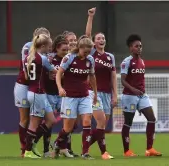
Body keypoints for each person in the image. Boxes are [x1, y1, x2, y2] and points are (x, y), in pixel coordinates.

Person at [53, 36, 97, 159]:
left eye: (89, 51)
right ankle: (58, 143)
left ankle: (85, 152)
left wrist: (95, 94)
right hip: (70, 97)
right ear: (79, 48)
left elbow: (92, 77)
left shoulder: (90, 60)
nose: (87, 54)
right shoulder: (69, 58)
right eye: (85, 51)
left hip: (84, 96)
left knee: (87, 121)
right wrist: (60, 88)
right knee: (68, 127)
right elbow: (59, 74)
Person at [120, 34, 162, 157]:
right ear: (130, 48)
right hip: (129, 96)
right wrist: (133, 90)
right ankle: (127, 151)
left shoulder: (142, 61)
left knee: (152, 118)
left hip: (142, 95)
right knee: (128, 122)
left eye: (140, 46)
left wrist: (140, 90)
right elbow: (123, 81)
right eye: (136, 46)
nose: (139, 48)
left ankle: (149, 149)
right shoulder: (126, 62)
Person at [84, 7, 115, 160]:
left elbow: (113, 76)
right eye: (99, 38)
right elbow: (87, 35)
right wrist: (90, 17)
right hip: (93, 93)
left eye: (103, 38)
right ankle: (104, 153)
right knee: (101, 122)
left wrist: (115, 94)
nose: (101, 40)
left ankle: (85, 146)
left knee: (102, 126)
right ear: (94, 42)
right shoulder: (91, 54)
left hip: (107, 93)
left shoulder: (110, 57)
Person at [14, 27, 51, 157]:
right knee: (25, 118)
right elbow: (28, 70)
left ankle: (31, 146)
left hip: (37, 87)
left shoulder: (46, 51)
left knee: (43, 118)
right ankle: (24, 148)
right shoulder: (28, 48)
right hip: (24, 85)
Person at [23, 34, 57, 159]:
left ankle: (32, 144)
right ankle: (28, 150)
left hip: (37, 91)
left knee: (51, 120)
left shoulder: (28, 57)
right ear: (43, 46)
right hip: (37, 92)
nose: (50, 49)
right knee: (34, 122)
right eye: (48, 46)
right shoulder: (42, 58)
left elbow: (26, 76)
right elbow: (55, 71)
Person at [39, 35, 69, 157]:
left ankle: (62, 147)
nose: (66, 52)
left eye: (67, 50)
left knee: (69, 122)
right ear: (56, 48)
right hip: (50, 94)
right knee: (49, 122)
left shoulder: (69, 60)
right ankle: (46, 150)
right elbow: (42, 74)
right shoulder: (50, 59)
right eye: (63, 50)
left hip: (63, 95)